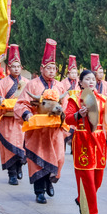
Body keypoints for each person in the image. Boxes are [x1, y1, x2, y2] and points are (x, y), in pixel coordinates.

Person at [15, 39, 67, 204]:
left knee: (58, 157)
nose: (51, 71)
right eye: (48, 68)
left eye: (54, 68)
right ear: (41, 68)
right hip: (38, 130)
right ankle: (39, 191)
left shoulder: (60, 86)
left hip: (55, 131)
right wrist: (27, 114)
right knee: (38, 158)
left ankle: (49, 182)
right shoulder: (32, 85)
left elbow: (65, 106)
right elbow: (21, 103)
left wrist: (64, 116)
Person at [65, 69, 107, 214]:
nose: (91, 81)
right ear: (80, 82)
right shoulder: (75, 99)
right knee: (87, 179)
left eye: (93, 79)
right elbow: (68, 118)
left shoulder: (103, 99)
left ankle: (80, 199)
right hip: (83, 140)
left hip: (99, 140)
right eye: (87, 79)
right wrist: (78, 115)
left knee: (97, 179)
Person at [0, 45, 26, 185]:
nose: (16, 69)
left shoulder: (27, 83)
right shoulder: (2, 83)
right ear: (9, 68)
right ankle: (11, 174)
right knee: (9, 147)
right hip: (8, 120)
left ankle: (19, 166)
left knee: (22, 146)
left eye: (18, 66)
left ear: (21, 67)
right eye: (13, 66)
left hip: (22, 122)